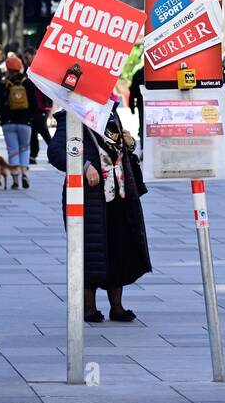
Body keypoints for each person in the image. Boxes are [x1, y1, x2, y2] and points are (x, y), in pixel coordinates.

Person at [47, 103, 152, 322]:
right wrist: (83, 166)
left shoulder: (111, 112)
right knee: (90, 250)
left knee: (119, 249)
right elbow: (55, 152)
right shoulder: (73, 114)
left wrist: (130, 143)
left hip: (120, 195)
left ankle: (117, 307)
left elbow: (117, 148)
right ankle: (89, 308)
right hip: (90, 199)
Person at [0, 54, 33, 189]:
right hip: (25, 122)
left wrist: (2, 118)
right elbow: (34, 103)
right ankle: (25, 173)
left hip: (8, 122)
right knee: (25, 148)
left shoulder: (3, 83)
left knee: (13, 150)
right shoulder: (27, 82)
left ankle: (15, 180)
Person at [21, 47, 53, 163]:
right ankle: (33, 155)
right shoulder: (27, 68)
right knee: (33, 131)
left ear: (34, 55)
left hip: (42, 105)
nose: (26, 59)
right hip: (31, 105)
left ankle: (54, 152)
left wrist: (49, 104)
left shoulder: (42, 67)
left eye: (27, 57)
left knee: (43, 130)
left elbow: (48, 85)